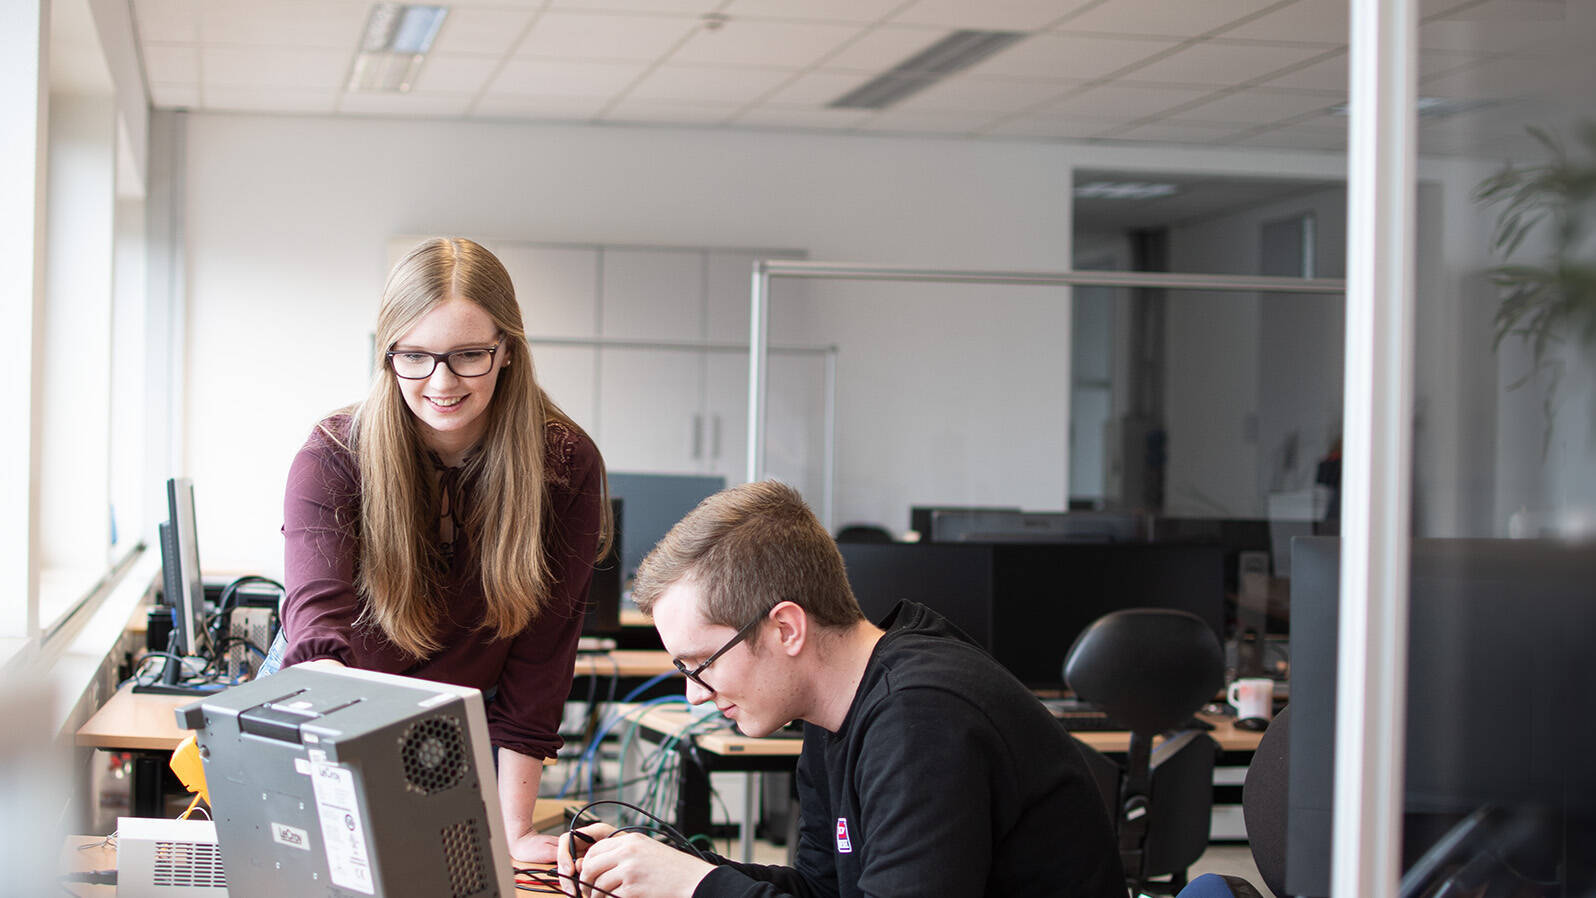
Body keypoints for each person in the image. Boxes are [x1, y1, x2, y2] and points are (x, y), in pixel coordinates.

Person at [557, 481, 1124, 898]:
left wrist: (699, 887)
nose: (695, 696)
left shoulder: (920, 719)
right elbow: (823, 890)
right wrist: (665, 865)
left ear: (785, 628)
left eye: (702, 663)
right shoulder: (839, 711)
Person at [272, 237, 611, 864]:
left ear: (507, 350)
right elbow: (317, 646)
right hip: (335, 712)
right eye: (417, 357)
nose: (442, 382)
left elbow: (540, 664)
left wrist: (512, 828)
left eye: (468, 355)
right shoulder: (333, 457)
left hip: (457, 737)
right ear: (387, 355)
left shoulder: (562, 465)